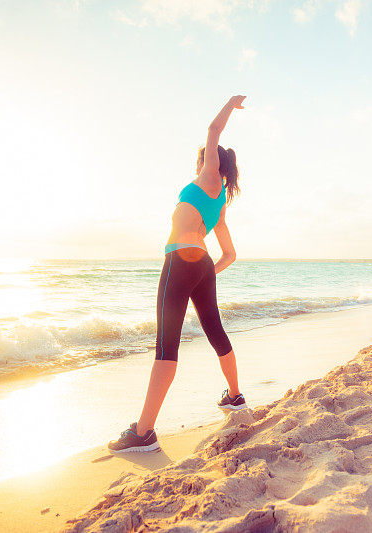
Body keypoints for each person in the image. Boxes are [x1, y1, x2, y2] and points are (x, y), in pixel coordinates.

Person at [108, 95, 249, 453]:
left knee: (166, 346)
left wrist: (231, 105)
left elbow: (213, 128)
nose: (203, 159)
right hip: (201, 265)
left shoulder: (207, 175)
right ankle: (234, 397)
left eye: (207, 157)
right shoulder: (219, 206)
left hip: (179, 260)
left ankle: (143, 432)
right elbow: (230, 254)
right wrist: (208, 275)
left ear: (214, 162)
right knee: (215, 331)